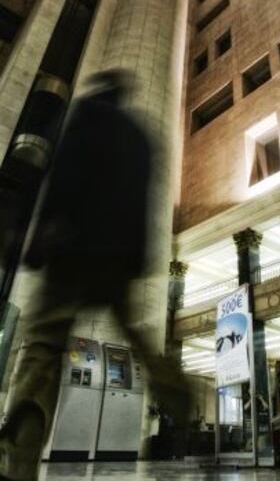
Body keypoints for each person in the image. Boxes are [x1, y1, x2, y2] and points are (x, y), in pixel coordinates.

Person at [0, 69, 191, 481]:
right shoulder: (141, 138)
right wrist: (138, 259)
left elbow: (62, 177)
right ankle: (172, 383)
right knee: (135, 335)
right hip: (117, 259)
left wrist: (37, 237)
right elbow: (145, 203)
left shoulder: (84, 117)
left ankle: (21, 456)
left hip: (70, 250)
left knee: (44, 346)